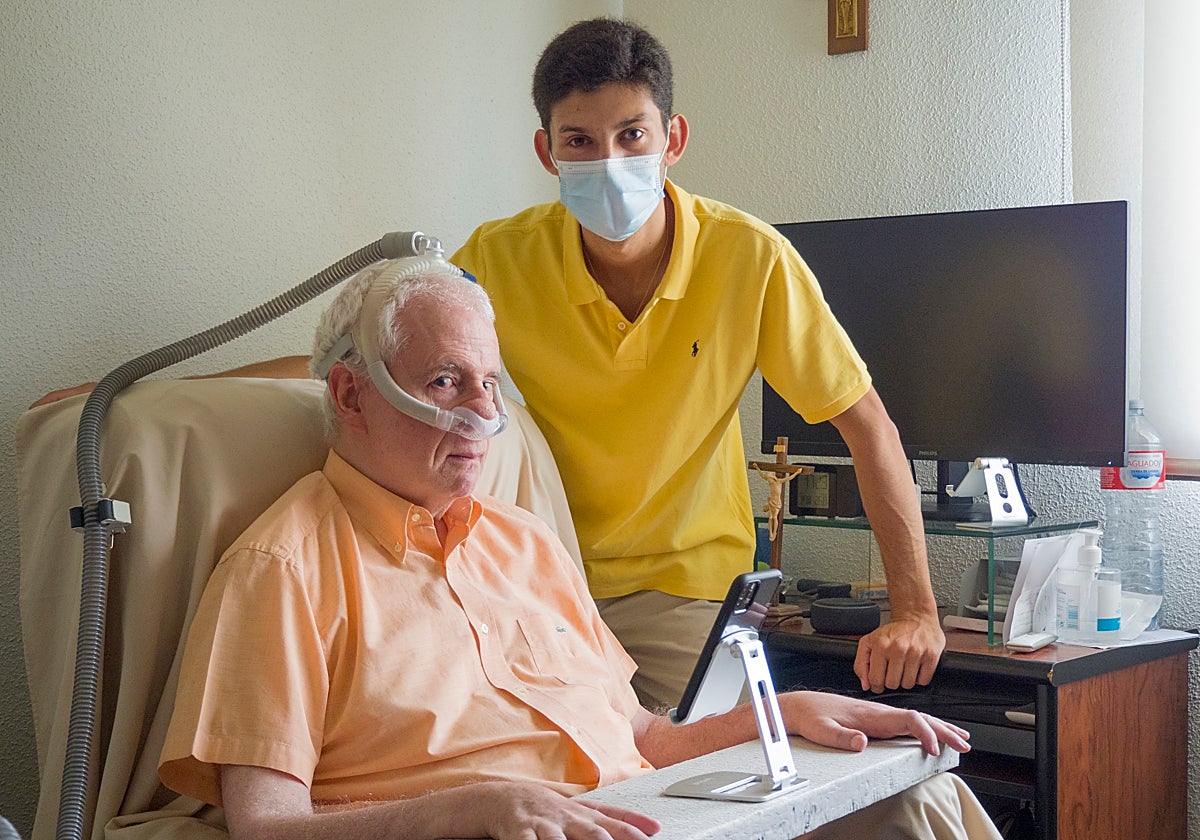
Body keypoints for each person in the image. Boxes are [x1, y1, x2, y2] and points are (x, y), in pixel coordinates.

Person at [158, 259, 1000, 840]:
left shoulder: (521, 542)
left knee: (919, 809)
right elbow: (266, 825)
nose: (481, 416)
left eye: (490, 384)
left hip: (640, 812)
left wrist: (781, 719)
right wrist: (466, 812)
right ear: (351, 394)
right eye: (445, 382)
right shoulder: (286, 572)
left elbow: (641, 736)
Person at [450, 17, 944, 707]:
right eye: (580, 142)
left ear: (672, 139)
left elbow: (868, 428)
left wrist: (916, 611)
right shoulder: (495, 259)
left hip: (684, 590)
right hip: (539, 577)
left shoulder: (749, 257)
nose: (609, 161)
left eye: (631, 135)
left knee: (706, 777)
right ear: (547, 152)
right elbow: (404, 376)